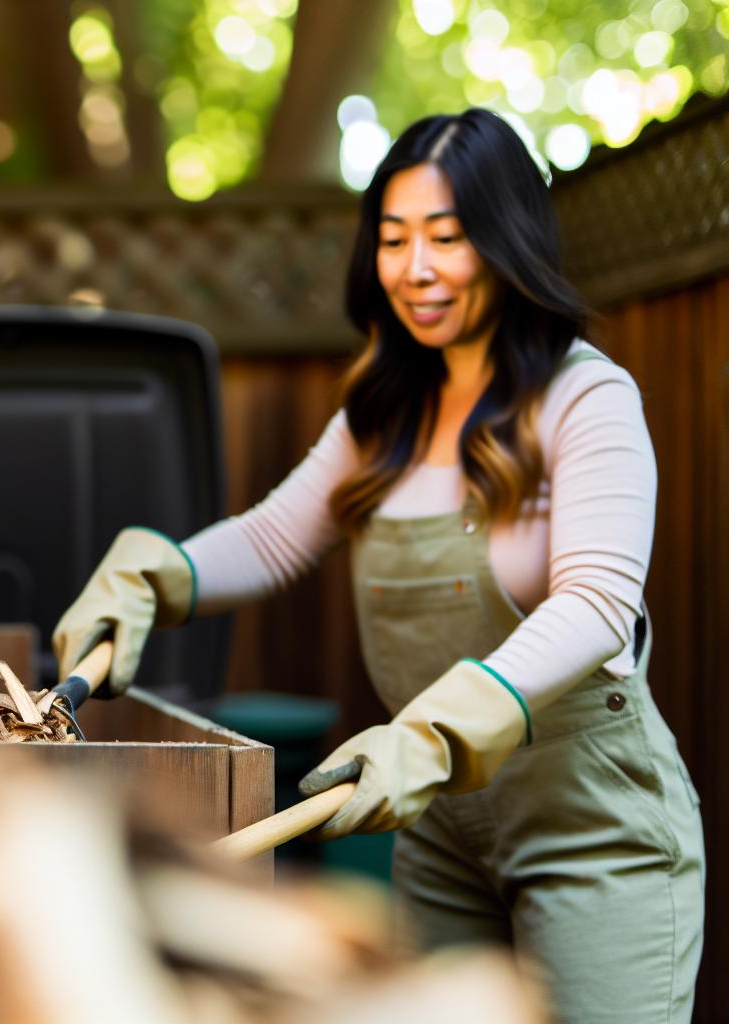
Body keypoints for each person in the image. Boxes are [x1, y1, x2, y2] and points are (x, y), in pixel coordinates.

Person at [53, 108, 703, 1022]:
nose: (416, 268)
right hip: (434, 825)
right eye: (394, 239)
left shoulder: (584, 395)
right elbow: (273, 538)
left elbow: (598, 603)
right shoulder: (385, 412)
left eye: (448, 236)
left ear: (508, 242)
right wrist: (157, 576)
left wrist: (433, 732)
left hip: (591, 824)